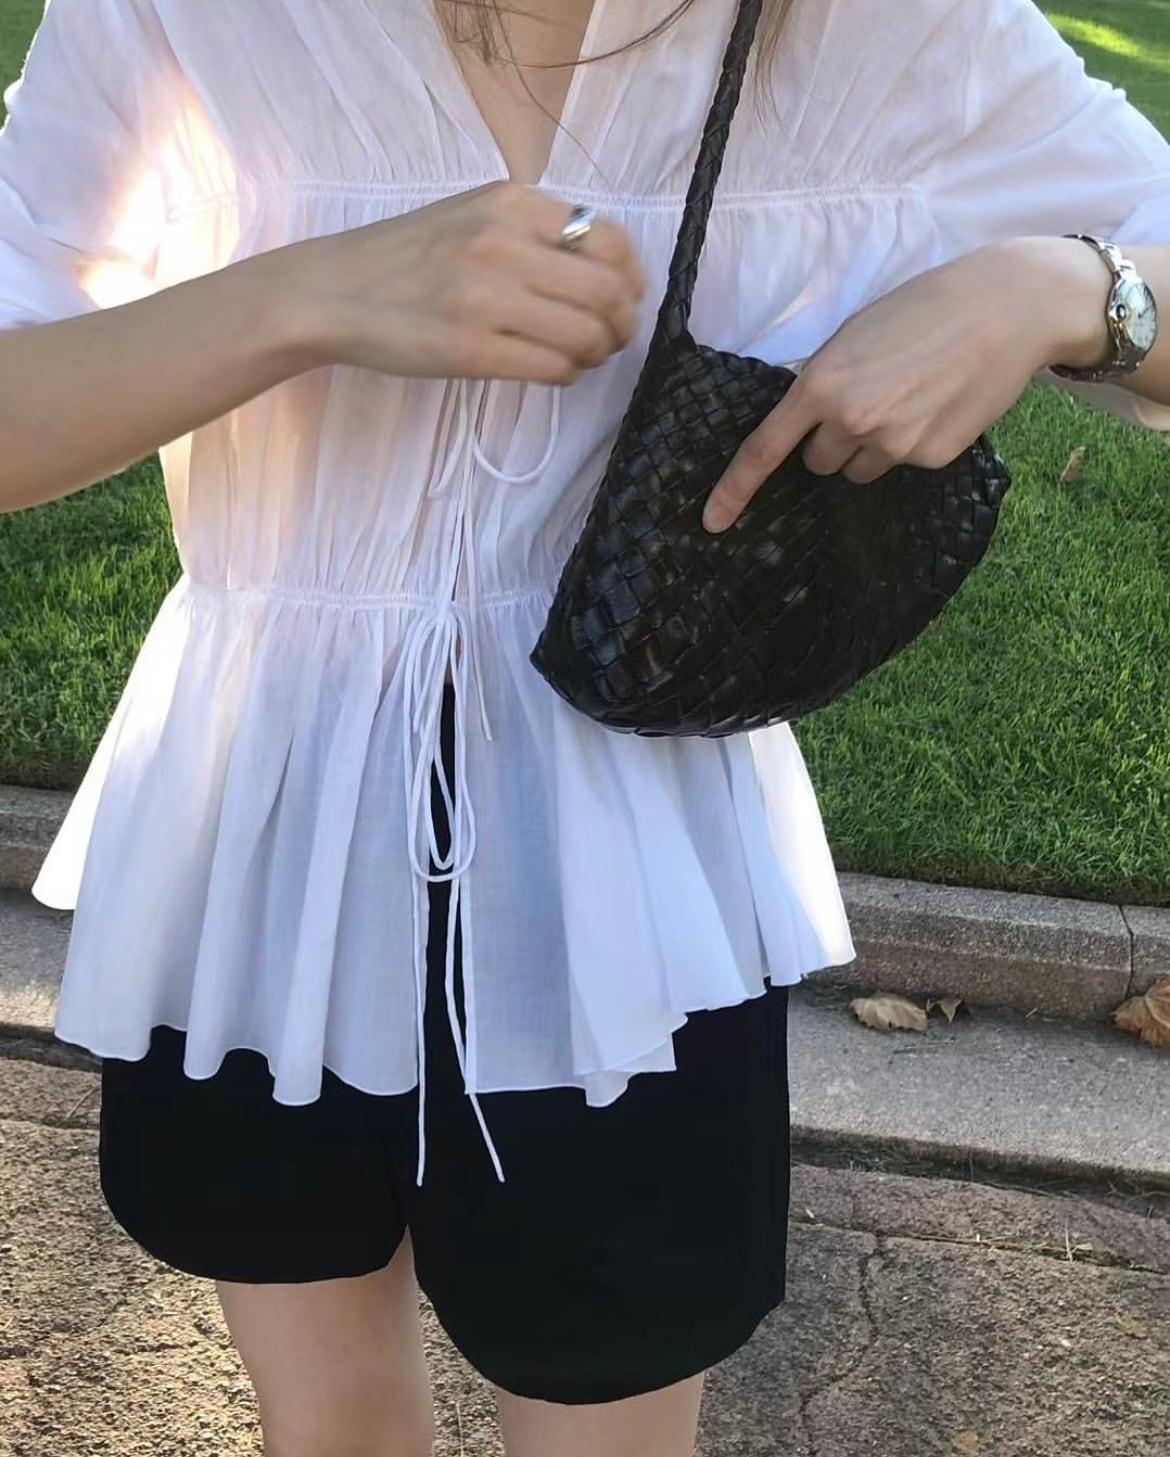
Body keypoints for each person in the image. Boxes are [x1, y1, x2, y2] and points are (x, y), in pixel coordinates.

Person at [1, 0, 1168, 1452]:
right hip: (264, 843)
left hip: (623, 893)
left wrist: (1061, 288)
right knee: (326, 1420)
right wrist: (303, 296)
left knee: (606, 1402)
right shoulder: (193, 17)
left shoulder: (874, 30)